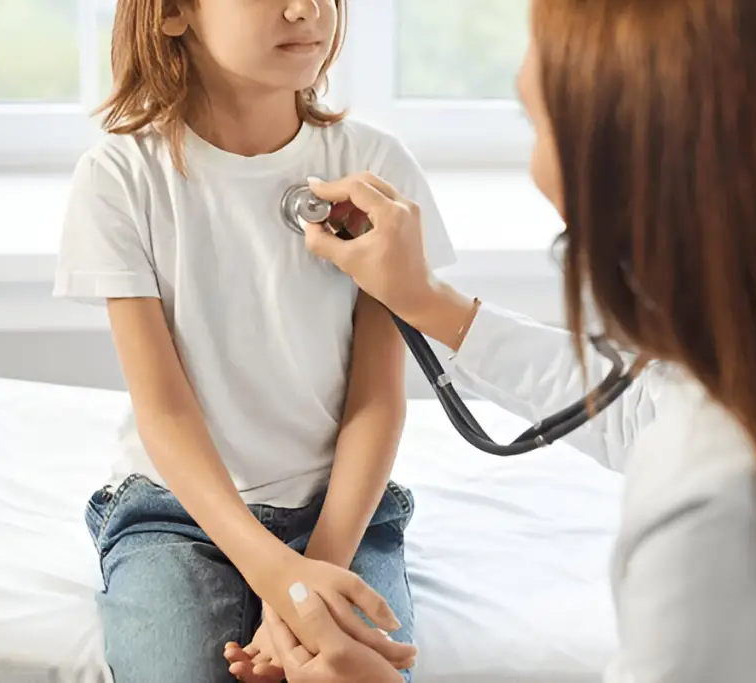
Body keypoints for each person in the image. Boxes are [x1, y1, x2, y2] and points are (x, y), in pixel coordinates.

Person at [242, 0, 756, 681]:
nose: (535, 164)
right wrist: (424, 300)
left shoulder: (707, 501)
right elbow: (641, 409)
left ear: (634, 168)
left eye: (534, 124)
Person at [52, 1, 455, 682]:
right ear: (175, 13)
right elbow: (165, 412)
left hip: (340, 512)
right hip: (177, 513)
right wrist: (282, 581)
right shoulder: (120, 176)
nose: (307, 10)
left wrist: (313, 573)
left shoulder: (376, 165)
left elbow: (378, 402)